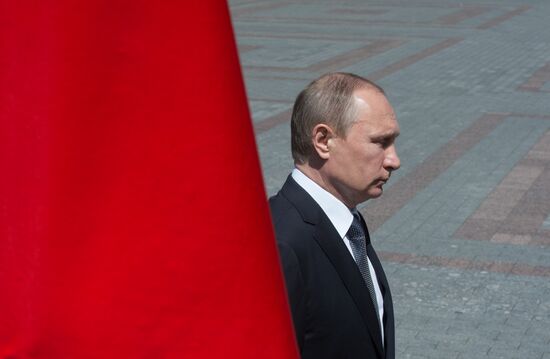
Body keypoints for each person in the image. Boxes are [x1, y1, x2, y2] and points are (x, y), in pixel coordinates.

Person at [269, 72, 401, 359]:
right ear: (323, 140)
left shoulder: (348, 224)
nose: (394, 160)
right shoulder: (280, 246)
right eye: (381, 142)